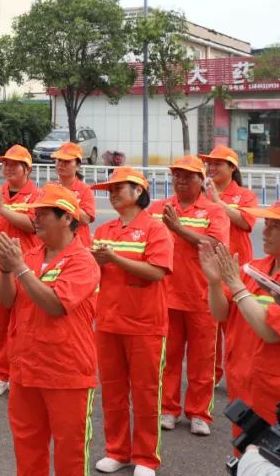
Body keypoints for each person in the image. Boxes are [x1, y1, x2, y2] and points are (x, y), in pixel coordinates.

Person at [0, 183, 100, 476]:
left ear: (66, 217)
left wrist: (19, 269)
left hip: (66, 374)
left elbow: (55, 305)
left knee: (70, 456)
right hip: (27, 370)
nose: (35, 218)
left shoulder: (83, 261)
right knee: (27, 450)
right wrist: (5, 270)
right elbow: (6, 300)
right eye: (35, 212)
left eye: (43, 213)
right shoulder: (30, 255)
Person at [89, 167, 173, 476]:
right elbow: (95, 272)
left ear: (139, 191)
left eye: (118, 188)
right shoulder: (105, 229)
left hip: (145, 324)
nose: (111, 194)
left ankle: (146, 458)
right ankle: (118, 450)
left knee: (146, 393)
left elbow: (157, 272)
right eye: (109, 189)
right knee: (112, 392)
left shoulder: (155, 229)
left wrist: (114, 259)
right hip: (109, 322)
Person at [200, 193, 280, 427]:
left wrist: (235, 285)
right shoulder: (255, 268)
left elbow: (270, 332)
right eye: (267, 224)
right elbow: (221, 313)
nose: (265, 232)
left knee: (273, 458)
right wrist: (215, 282)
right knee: (243, 455)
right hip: (244, 382)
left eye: (276, 227)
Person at [149, 155, 229, 435]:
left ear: (200, 180)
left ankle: (199, 413)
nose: (180, 180)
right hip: (166, 297)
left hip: (202, 296)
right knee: (168, 359)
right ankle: (168, 409)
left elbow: (216, 244)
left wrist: (178, 229)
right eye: (176, 175)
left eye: (187, 176)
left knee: (202, 360)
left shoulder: (213, 211)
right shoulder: (159, 208)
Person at [0, 144, 39, 397]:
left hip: (25, 269)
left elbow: (33, 225)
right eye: (5, 164)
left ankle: (23, 372)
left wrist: (2, 209)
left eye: (14, 164)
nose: (8, 168)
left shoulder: (37, 196)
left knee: (25, 325)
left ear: (27, 169)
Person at [199, 145, 258, 387]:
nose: (211, 168)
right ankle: (212, 376)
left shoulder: (245, 195)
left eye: (217, 164)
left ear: (232, 168)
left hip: (236, 273)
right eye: (209, 164)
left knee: (237, 330)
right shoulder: (200, 195)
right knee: (209, 330)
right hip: (210, 272)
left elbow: (246, 222)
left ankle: (240, 373)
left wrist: (216, 202)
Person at [51, 142, 96, 247]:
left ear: (78, 166)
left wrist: (63, 197)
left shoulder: (85, 190)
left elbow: (85, 219)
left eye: (66, 161)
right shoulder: (49, 187)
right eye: (59, 160)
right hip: (54, 244)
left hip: (79, 246)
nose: (61, 164)